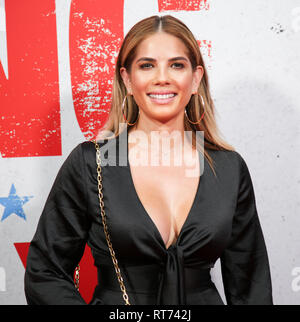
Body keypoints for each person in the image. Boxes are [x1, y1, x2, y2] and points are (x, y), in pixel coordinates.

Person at [24, 15, 273, 305]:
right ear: (127, 80)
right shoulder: (96, 162)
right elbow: (44, 271)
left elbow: (251, 284)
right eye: (147, 65)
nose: (162, 77)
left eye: (176, 65)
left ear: (195, 79)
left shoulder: (227, 167)